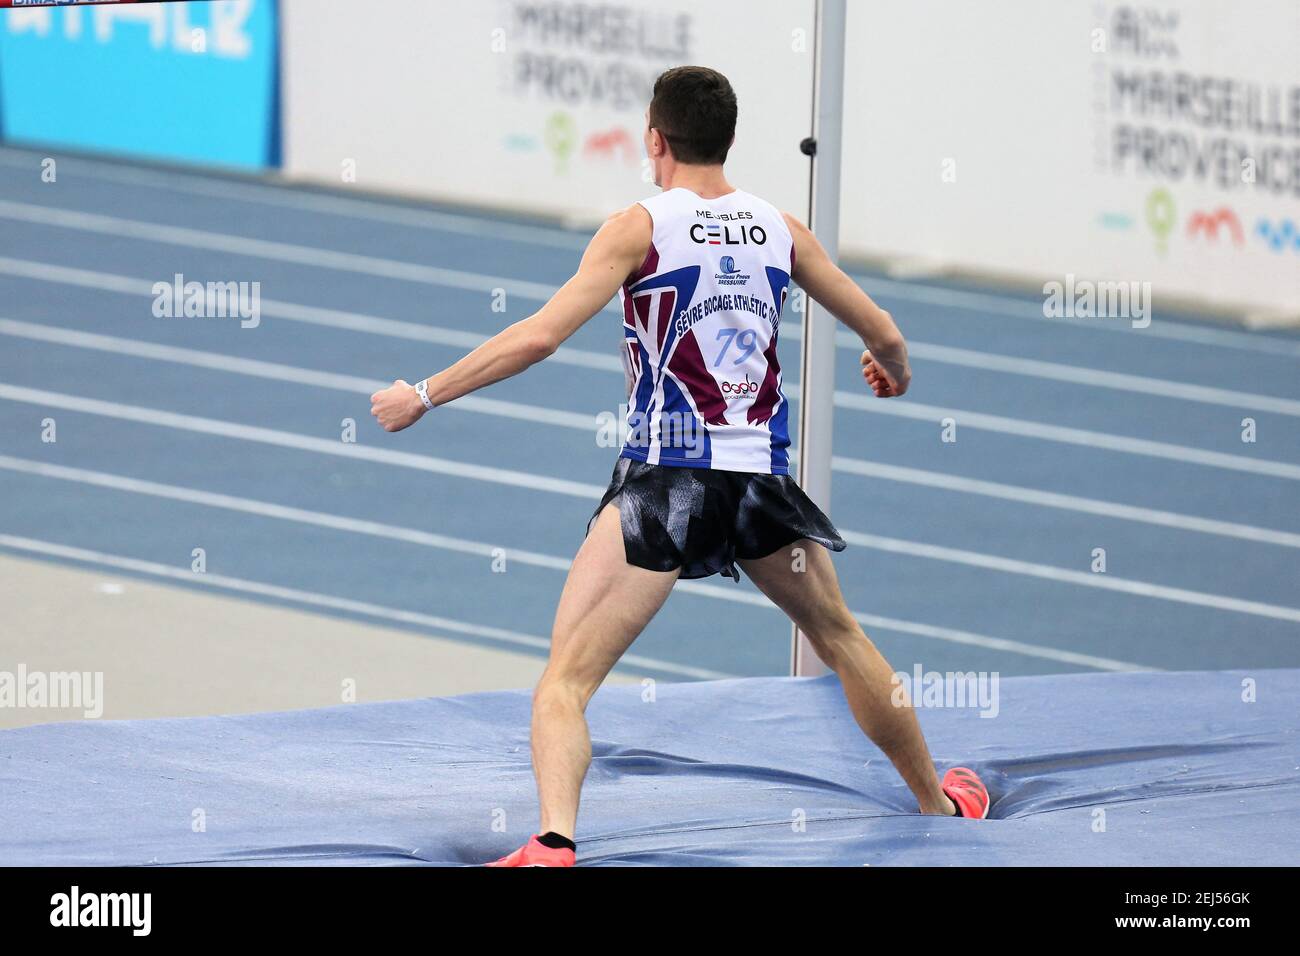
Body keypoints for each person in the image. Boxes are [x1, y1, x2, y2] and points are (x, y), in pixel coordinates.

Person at [369, 66, 989, 867]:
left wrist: (425, 393)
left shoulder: (639, 227)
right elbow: (886, 332)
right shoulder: (780, 229)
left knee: (565, 682)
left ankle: (555, 841)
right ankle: (938, 801)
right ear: (727, 141)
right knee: (841, 638)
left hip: (665, 489)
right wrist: (891, 371)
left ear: (654, 141)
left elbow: (537, 337)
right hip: (761, 488)